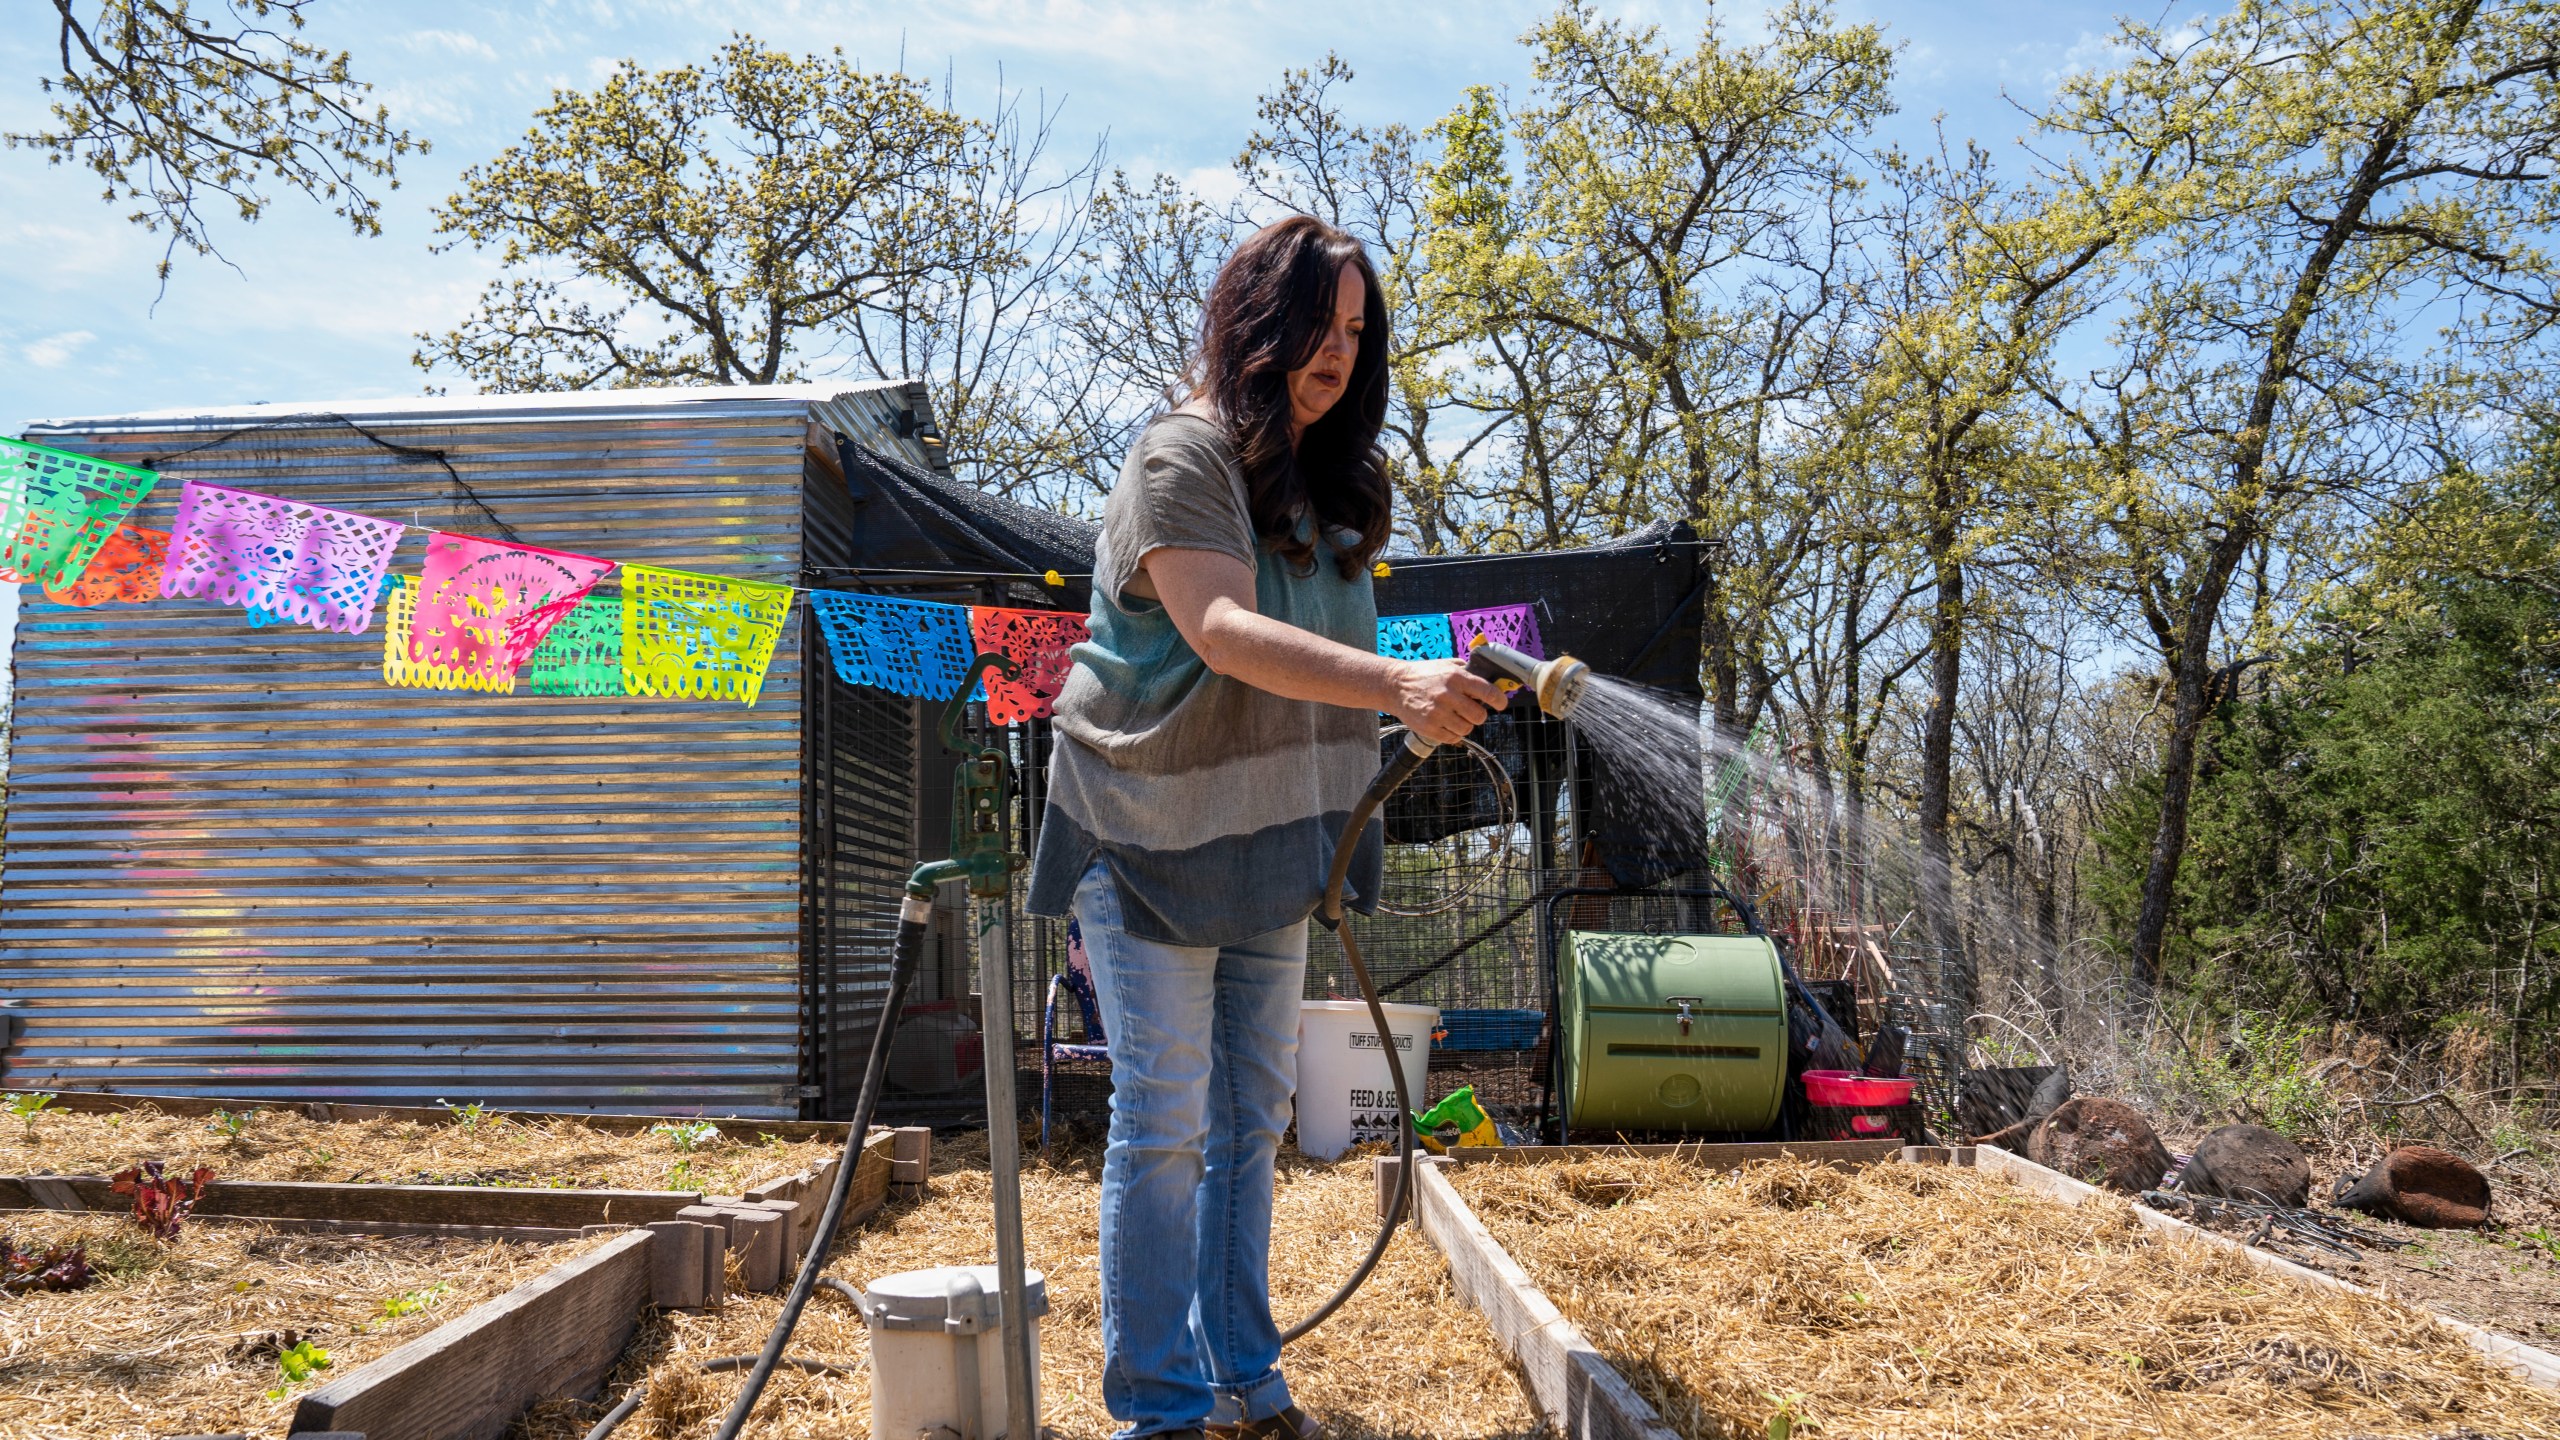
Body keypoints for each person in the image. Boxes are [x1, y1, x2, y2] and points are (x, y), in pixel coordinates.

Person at [1025, 215, 1507, 1439]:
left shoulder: (1334, 493)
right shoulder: (1178, 458)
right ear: (1256, 320)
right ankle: (1160, 1408)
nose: (1338, 352)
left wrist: (1420, 702)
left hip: (1274, 846)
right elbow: (1227, 634)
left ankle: (1244, 1372)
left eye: (1357, 331)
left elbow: (1322, 669)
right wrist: (1398, 687)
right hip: (1147, 830)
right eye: (1317, 324)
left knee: (1253, 1121)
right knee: (1169, 1122)